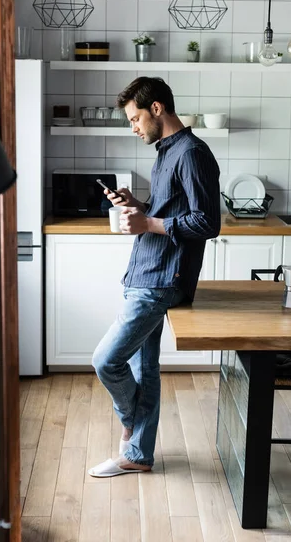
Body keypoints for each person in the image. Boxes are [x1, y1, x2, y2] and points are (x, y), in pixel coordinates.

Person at [88, 77, 221, 478]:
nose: (133, 127)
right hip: (144, 270)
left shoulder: (193, 153)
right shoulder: (166, 151)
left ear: (157, 109)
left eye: (135, 118)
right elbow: (166, 211)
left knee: (106, 361)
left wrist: (148, 222)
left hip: (163, 278)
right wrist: (138, 206)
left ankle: (130, 426)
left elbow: (207, 222)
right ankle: (138, 454)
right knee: (145, 370)